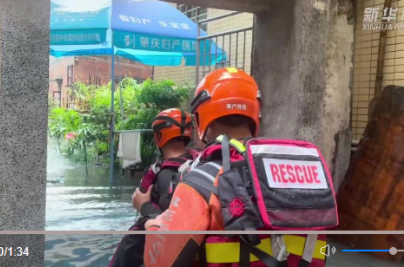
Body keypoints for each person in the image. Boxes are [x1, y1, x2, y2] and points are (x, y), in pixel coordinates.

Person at [142, 68, 338, 267]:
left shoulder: (201, 180)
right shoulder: (305, 172)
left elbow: (160, 262)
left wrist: (152, 223)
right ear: (255, 114)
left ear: (201, 118)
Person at [109, 108, 200, 267]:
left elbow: (171, 227)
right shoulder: (201, 164)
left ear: (158, 136)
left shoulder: (164, 176)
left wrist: (144, 206)